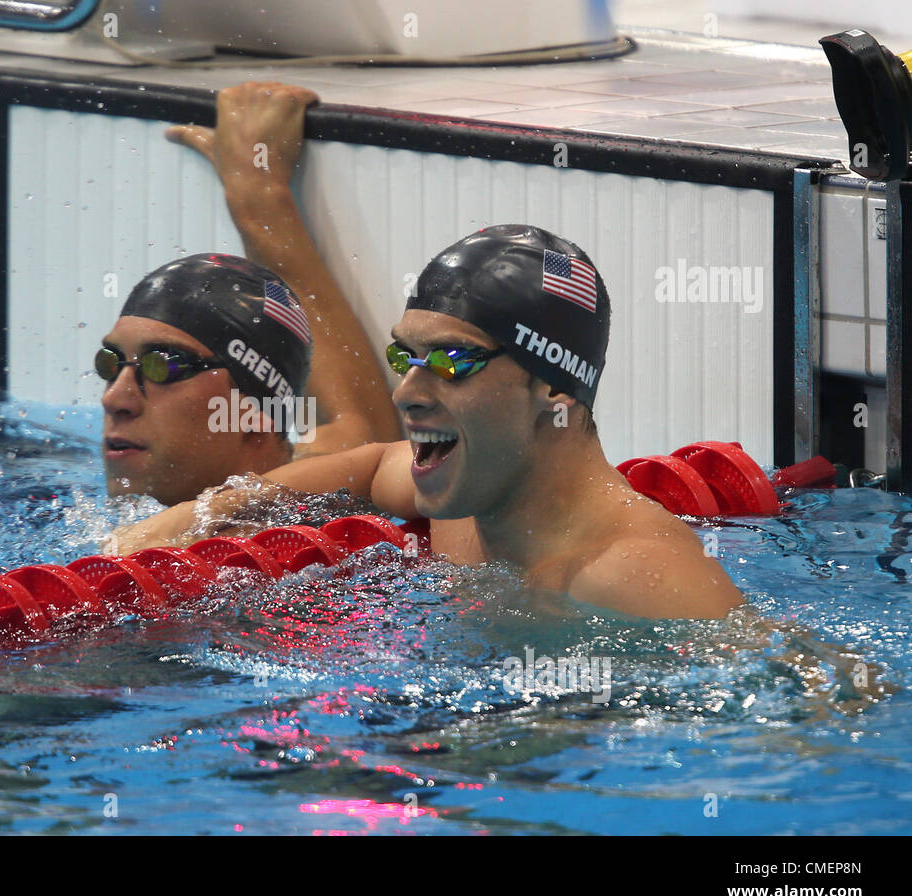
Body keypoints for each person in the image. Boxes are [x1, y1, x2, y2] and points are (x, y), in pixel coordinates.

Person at [110, 225, 745, 622]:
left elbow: (791, 703)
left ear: (554, 389)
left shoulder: (635, 575)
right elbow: (371, 462)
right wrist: (216, 509)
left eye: (453, 361)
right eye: (405, 358)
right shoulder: (464, 498)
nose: (409, 392)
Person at [99, 83, 400, 505]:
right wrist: (256, 196)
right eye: (110, 363)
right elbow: (362, 428)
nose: (114, 398)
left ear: (253, 419)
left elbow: (370, 446)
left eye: (162, 366)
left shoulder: (296, 521)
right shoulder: (322, 479)